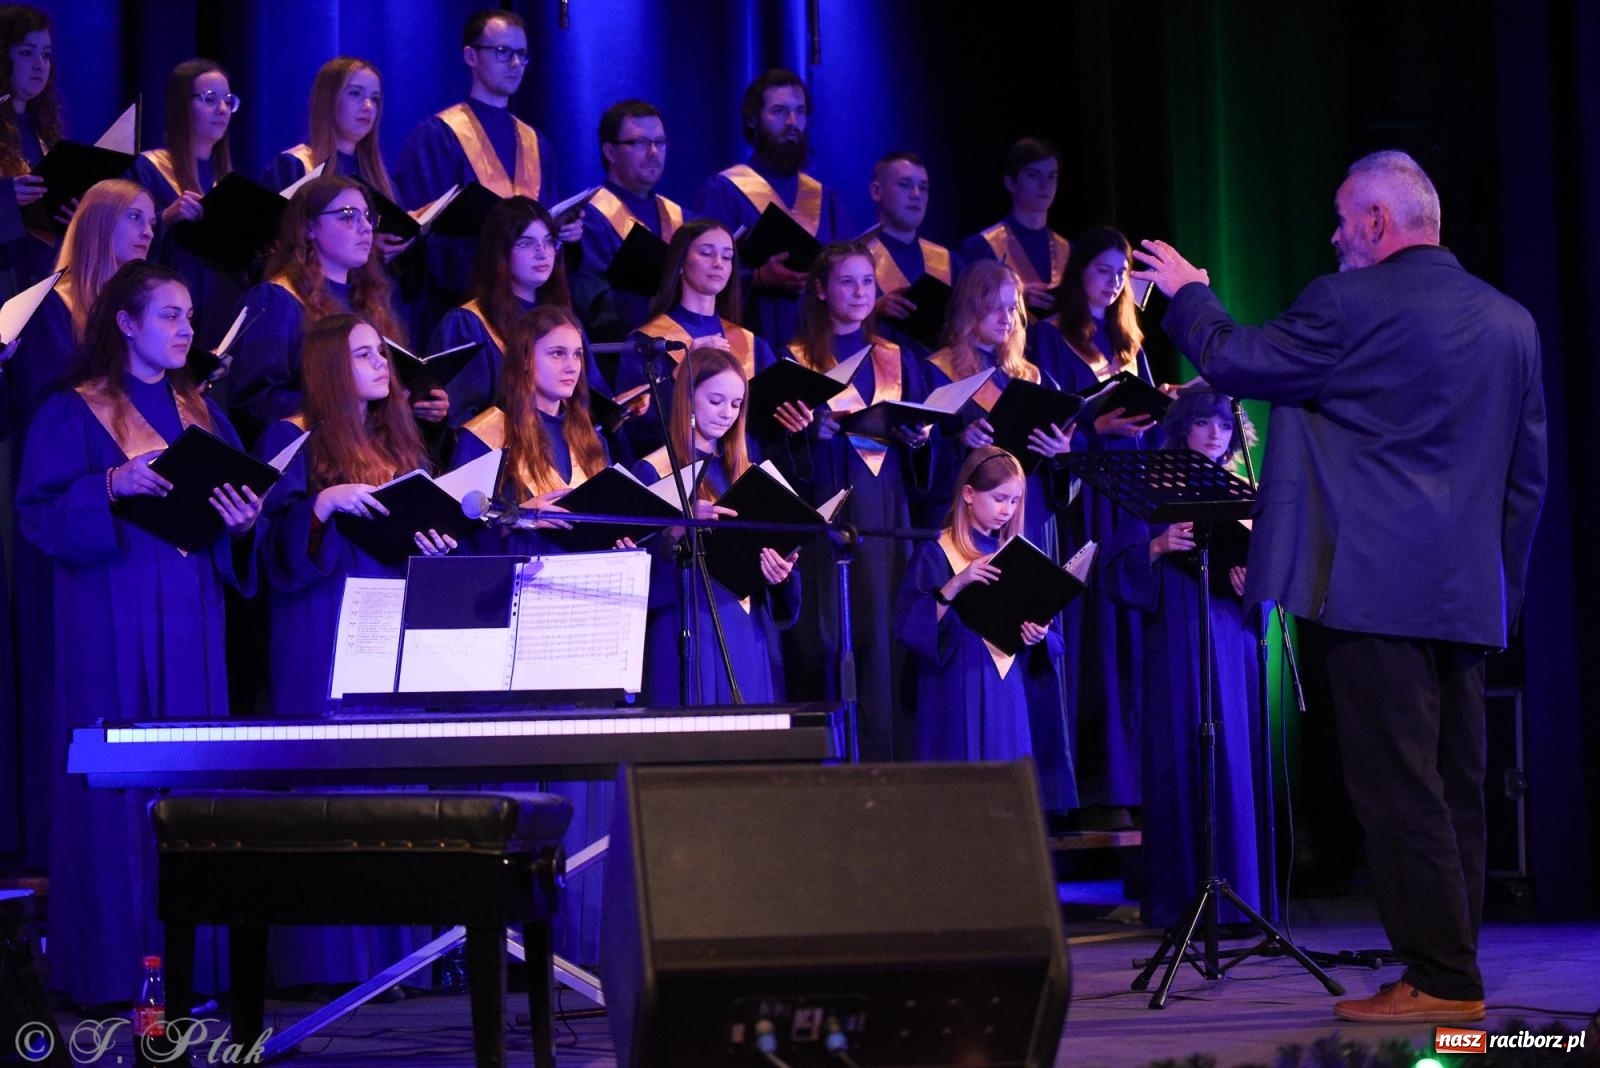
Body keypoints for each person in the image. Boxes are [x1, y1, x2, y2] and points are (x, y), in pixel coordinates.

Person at [1131, 150, 1546, 1022]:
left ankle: (1441, 981)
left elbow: (1238, 361)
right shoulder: (1513, 322)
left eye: (1339, 216)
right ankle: (1449, 961)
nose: (1331, 233)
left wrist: (1189, 290)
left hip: (1371, 592)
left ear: (1377, 225)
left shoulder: (1347, 305)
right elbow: (1527, 480)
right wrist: (1499, 589)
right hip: (1468, 597)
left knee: (1398, 788)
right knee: (1453, 784)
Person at [16, 261, 262, 1006]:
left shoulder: (201, 412)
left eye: (190, 316)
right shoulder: (71, 411)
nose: (187, 330)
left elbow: (225, 530)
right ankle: (113, 972)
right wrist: (109, 486)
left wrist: (240, 523)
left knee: (192, 787)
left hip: (190, 611)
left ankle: (197, 974)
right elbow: (36, 515)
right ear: (125, 322)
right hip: (109, 612)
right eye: (170, 316)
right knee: (116, 792)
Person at [252, 313, 450, 990]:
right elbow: (269, 545)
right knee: (336, 778)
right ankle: (331, 963)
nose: (380, 363)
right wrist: (320, 505)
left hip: (393, 617)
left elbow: (416, 522)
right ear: (331, 365)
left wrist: (435, 539)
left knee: (394, 777)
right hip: (323, 622)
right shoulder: (291, 436)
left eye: (381, 352)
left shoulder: (397, 438)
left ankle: (402, 962)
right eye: (363, 353)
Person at [6, 179, 154, 869]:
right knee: (56, 666)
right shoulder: (50, 313)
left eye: (153, 219)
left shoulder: (138, 317)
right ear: (94, 225)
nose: (147, 230)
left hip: (131, 528)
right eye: (132, 218)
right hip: (64, 511)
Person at [1107, 388, 1270, 931]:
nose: (1214, 435)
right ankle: (1181, 898)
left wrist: (1254, 582)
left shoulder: (1244, 489)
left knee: (1232, 756)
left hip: (1230, 632)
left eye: (1223, 426)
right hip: (1176, 627)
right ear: (1183, 428)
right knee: (1181, 751)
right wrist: (1157, 547)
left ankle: (1238, 896)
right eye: (1203, 423)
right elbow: (1114, 566)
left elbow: (1269, 571)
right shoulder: (1153, 484)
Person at [782, 239, 936, 762]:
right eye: (846, 281)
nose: (858, 292)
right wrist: (811, 437)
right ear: (822, 290)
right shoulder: (796, 359)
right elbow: (780, 450)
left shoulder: (896, 358)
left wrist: (918, 442)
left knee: (886, 637)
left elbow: (916, 444)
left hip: (887, 512)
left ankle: (886, 758)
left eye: (867, 282)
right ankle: (827, 763)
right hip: (828, 510)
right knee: (831, 634)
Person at [1031, 225, 1156, 820]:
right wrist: (1094, 430)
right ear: (1079, 272)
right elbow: (1047, 430)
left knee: (1128, 639)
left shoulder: (1128, 342)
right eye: (1104, 271)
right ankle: (1085, 790)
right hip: (1080, 504)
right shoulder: (1049, 340)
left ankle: (1129, 786)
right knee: (1090, 636)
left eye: (1122, 274)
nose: (1114, 283)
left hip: (1128, 503)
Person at [630, 346, 798, 706]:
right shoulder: (654, 472)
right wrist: (678, 528)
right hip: (688, 622)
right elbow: (635, 562)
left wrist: (779, 573)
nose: (727, 414)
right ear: (687, 398)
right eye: (716, 400)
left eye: (736, 404)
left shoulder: (746, 474)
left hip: (745, 625)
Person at [226, 176, 431, 443]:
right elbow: (254, 401)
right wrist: (344, 402)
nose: (365, 227)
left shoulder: (371, 299)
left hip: (376, 450)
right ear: (309, 227)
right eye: (347, 216)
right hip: (314, 458)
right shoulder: (277, 299)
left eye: (368, 216)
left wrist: (416, 402)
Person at [394, 9, 571, 315]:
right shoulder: (438, 137)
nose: (515, 63)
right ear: (471, 56)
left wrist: (564, 231)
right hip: (463, 307)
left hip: (530, 308)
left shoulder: (537, 143)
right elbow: (422, 231)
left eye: (522, 54)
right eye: (502, 52)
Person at [894, 446, 1060, 770]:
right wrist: (957, 583)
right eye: (999, 498)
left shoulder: (1016, 556)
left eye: (1014, 501)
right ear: (969, 493)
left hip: (1004, 683)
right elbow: (910, 624)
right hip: (955, 682)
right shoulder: (937, 551)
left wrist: (1037, 634)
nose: (1007, 510)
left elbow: (1050, 636)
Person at [692, 68, 850, 350]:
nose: (792, 122)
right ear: (753, 120)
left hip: (820, 345)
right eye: (779, 111)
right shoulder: (724, 189)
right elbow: (697, 272)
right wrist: (759, 277)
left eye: (799, 112)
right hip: (751, 340)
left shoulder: (826, 197)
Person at [618, 218, 782, 460]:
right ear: (681, 262)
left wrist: (791, 418)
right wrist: (681, 373)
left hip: (742, 471)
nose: (718, 264)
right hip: (678, 472)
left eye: (727, 257)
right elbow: (635, 426)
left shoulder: (752, 343)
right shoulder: (649, 341)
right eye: (707, 253)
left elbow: (762, 421)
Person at [428, 195, 573, 429]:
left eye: (548, 242)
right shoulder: (469, 323)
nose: (542, 252)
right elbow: (459, 417)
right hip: (502, 454)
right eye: (526, 243)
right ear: (500, 251)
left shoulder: (563, 320)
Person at [133, 58, 247, 345]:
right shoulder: (150, 168)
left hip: (221, 316)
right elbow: (123, 244)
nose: (222, 109)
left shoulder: (228, 181)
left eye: (228, 101)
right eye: (209, 99)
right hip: (167, 318)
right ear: (182, 105)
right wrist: (167, 217)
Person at [262, 58, 412, 259]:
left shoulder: (379, 178)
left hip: (376, 288)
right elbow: (279, 244)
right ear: (328, 99)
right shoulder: (295, 166)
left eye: (375, 98)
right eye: (355, 94)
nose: (368, 106)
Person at [576, 99, 683, 336]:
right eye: (640, 142)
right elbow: (591, 302)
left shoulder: (679, 216)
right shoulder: (588, 219)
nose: (654, 152)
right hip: (622, 355)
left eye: (660, 142)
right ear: (610, 151)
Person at [959, 138, 1069, 318]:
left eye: (1052, 176)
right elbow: (965, 309)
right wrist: (1015, 295)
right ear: (1011, 183)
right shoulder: (982, 246)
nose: (1045, 184)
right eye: (1033, 175)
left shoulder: (1068, 249)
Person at [863, 150, 958, 353]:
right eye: (904, 185)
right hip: (880, 375)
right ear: (876, 191)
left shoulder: (948, 260)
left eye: (923, 188)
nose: (916, 194)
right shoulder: (855, 258)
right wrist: (872, 310)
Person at [0, 3, 61, 300]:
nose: (40, 64)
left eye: (46, 54)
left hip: (39, 277)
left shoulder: (42, 128)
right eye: (26, 53)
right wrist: (7, 198)